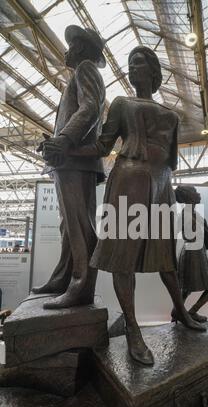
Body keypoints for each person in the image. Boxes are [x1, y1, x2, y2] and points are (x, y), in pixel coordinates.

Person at [66, 46, 205, 365]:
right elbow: (102, 145)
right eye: (129, 63)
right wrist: (68, 146)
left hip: (161, 184)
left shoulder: (172, 115)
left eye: (138, 61)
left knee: (166, 254)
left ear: (154, 71)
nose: (132, 67)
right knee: (122, 257)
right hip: (129, 177)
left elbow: (172, 161)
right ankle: (132, 328)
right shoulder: (121, 103)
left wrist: (176, 188)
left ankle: (181, 311)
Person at [33, 25, 106, 309]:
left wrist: (63, 140)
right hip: (68, 159)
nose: (66, 49)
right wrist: (55, 142)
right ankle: (64, 277)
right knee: (68, 225)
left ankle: (81, 286)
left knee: (79, 225)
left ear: (83, 49)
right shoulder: (78, 74)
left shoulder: (86, 69)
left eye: (71, 44)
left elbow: (90, 109)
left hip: (77, 159)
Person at [174, 185, 208, 322]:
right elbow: (173, 235)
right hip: (193, 254)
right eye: (195, 192)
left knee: (187, 288)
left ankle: (178, 311)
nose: (198, 194)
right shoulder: (185, 215)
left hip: (196, 252)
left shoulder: (194, 214)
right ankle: (190, 312)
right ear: (188, 197)